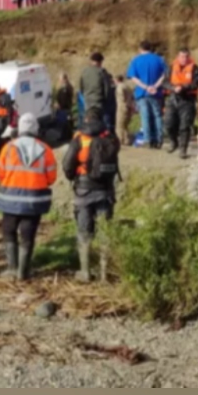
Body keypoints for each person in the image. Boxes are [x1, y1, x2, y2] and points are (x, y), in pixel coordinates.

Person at [0, 113, 59, 281]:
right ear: (36, 129)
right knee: (27, 235)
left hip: (10, 200)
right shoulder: (46, 150)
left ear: (20, 128)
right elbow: (52, 177)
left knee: (9, 232)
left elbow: (0, 173)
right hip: (34, 201)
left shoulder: (8, 148)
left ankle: (12, 268)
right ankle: (23, 272)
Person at [63, 110, 120, 283]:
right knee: (104, 231)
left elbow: (67, 164)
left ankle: (85, 272)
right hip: (105, 190)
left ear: (86, 120)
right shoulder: (111, 138)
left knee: (84, 231)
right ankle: (104, 274)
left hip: (83, 190)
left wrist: (73, 177)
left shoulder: (80, 138)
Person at [127, 41, 168, 149]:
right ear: (151, 48)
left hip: (142, 93)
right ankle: (159, 139)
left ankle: (147, 140)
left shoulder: (135, 60)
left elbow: (133, 77)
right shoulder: (159, 59)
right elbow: (165, 75)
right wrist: (155, 86)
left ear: (140, 49)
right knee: (157, 115)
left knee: (145, 116)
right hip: (156, 92)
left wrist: (145, 87)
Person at [164, 48, 198, 159]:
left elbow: (196, 83)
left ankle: (183, 150)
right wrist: (173, 87)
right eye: (182, 56)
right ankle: (173, 142)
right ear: (178, 56)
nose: (184, 59)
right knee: (168, 124)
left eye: (186, 56)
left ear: (189, 57)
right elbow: (165, 82)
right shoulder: (171, 67)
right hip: (172, 99)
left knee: (185, 126)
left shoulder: (195, 69)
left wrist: (183, 87)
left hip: (187, 100)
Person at [79, 53, 109, 125]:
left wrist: (86, 95)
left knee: (88, 120)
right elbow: (107, 89)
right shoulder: (101, 72)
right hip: (98, 101)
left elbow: (81, 87)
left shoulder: (84, 72)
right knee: (98, 122)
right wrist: (106, 99)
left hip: (88, 101)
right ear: (100, 62)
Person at [116, 75, 136, 147]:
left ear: (117, 80)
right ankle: (127, 140)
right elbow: (132, 97)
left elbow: (121, 97)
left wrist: (123, 104)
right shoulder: (127, 87)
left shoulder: (120, 87)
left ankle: (120, 140)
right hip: (129, 107)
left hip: (122, 107)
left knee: (119, 125)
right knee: (125, 125)